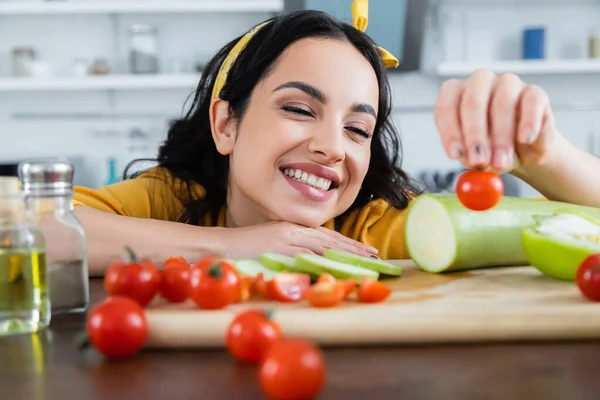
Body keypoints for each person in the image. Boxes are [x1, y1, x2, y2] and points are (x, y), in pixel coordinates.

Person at [72, 8, 600, 276]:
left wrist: (546, 155)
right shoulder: (171, 201)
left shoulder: (373, 229)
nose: (333, 147)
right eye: (300, 109)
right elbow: (25, 229)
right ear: (226, 124)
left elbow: (576, 236)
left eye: (357, 129)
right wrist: (233, 248)